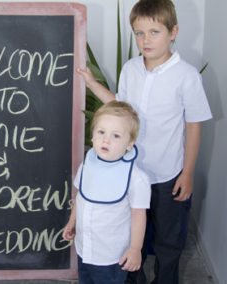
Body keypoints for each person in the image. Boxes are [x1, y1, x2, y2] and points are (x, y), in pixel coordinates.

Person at [77, 0, 212, 283]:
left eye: (154, 32)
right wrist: (92, 83)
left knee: (168, 240)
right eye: (139, 33)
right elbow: (122, 109)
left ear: (173, 32)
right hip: (130, 170)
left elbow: (194, 126)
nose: (145, 40)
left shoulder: (186, 76)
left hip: (167, 175)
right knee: (131, 237)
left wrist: (186, 173)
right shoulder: (130, 69)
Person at [63, 101, 151, 284]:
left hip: (111, 256)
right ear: (92, 135)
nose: (106, 140)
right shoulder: (87, 164)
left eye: (116, 135)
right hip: (84, 249)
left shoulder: (136, 178)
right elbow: (80, 197)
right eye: (101, 132)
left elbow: (138, 215)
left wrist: (135, 249)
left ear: (130, 143)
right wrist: (72, 222)